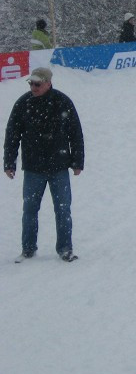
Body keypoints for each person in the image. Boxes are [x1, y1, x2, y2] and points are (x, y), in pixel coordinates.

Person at [4, 67, 84, 262]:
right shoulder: (23, 104)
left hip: (59, 167)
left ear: (48, 83)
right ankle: (28, 249)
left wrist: (77, 161)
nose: (33, 87)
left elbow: (75, 133)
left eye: (37, 84)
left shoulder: (62, 102)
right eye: (31, 83)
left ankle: (65, 249)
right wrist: (9, 162)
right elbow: (12, 134)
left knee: (63, 209)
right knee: (30, 209)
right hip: (33, 169)